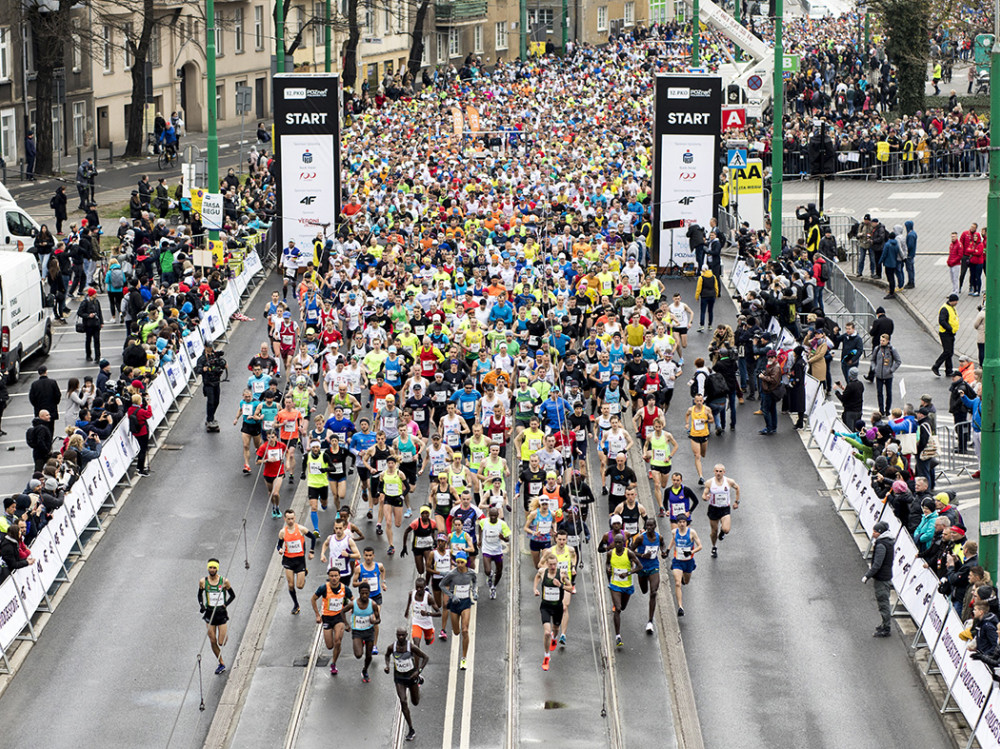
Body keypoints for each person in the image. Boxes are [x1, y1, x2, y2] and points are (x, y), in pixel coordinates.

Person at [384, 627, 428, 741]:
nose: (401, 637)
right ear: (396, 635)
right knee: (403, 701)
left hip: (411, 677)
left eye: (403, 635)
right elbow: (386, 655)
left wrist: (418, 671)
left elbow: (426, 657)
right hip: (399, 678)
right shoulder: (392, 647)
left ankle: (419, 679)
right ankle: (411, 729)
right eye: (399, 635)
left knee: (415, 702)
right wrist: (387, 666)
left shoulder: (411, 647)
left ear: (407, 635)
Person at [312, 567, 353, 676]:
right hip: (327, 618)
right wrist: (317, 615)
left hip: (339, 618)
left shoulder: (345, 588)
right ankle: (334, 653)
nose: (334, 578)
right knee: (330, 645)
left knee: (338, 641)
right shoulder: (323, 588)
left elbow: (353, 599)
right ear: (329, 577)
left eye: (336, 576)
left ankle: (333, 663)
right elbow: (313, 599)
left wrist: (351, 609)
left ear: (339, 576)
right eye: (332, 576)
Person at [533, 551, 571, 671]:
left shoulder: (562, 574)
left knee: (556, 629)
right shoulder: (543, 572)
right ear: (547, 564)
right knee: (546, 632)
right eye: (550, 565)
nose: (553, 567)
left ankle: (554, 638)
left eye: (555, 564)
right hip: (545, 607)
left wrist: (561, 586)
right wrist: (535, 589)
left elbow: (571, 588)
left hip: (557, 607)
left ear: (557, 564)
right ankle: (546, 655)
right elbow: (537, 577)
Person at [440, 550, 477, 670]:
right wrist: (452, 596)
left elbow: (475, 581)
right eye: (458, 562)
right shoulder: (452, 574)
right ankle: (456, 631)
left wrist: (474, 592)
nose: (459, 565)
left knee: (465, 630)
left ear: (466, 562)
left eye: (462, 562)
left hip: (466, 602)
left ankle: (464, 658)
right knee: (456, 632)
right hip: (455, 604)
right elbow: (441, 585)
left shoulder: (471, 573)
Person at [277, 508, 318, 615]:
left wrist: (312, 551)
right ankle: (296, 605)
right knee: (291, 585)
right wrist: (280, 550)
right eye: (288, 519)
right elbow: (278, 545)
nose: (290, 521)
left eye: (292, 518)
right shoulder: (282, 532)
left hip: (300, 561)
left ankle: (304, 572)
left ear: (295, 518)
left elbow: (313, 537)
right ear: (285, 519)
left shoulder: (301, 529)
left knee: (300, 586)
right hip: (288, 560)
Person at [199, 558, 236, 674]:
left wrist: (225, 604)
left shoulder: (224, 581)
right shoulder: (203, 582)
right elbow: (199, 595)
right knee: (212, 640)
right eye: (210, 567)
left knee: (221, 642)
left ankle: (224, 634)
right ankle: (221, 663)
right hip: (210, 613)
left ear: (217, 569)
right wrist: (202, 606)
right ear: (208, 568)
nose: (212, 569)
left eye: (214, 567)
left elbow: (232, 595)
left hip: (221, 614)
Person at [632, 518, 668, 631]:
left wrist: (663, 551)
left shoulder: (659, 537)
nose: (649, 528)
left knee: (653, 592)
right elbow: (630, 551)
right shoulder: (641, 538)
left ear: (655, 526)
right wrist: (642, 555)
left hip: (654, 566)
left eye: (651, 526)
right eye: (647, 526)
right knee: (644, 590)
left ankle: (650, 622)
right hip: (642, 567)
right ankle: (650, 621)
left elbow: (662, 545)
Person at [606, 532, 641, 648]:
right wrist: (608, 569)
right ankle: (618, 636)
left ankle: (618, 608)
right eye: (616, 542)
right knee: (618, 608)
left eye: (620, 542)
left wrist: (628, 573)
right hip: (615, 584)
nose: (617, 544)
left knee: (623, 607)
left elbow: (640, 567)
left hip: (627, 585)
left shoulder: (629, 553)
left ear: (624, 543)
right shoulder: (610, 553)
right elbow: (607, 564)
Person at [862, 521, 895, 637]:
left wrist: (867, 575)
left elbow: (877, 564)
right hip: (885, 576)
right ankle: (884, 624)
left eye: (875, 531)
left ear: (880, 532)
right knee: (883, 601)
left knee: (883, 602)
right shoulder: (887, 542)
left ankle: (886, 628)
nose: (873, 533)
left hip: (882, 578)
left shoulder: (881, 545)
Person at [702, 464, 741, 559]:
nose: (718, 473)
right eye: (716, 471)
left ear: (724, 472)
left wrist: (736, 501)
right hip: (713, 508)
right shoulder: (709, 482)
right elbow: (704, 494)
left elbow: (737, 488)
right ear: (714, 472)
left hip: (725, 508)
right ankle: (714, 547)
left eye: (720, 471)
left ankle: (722, 532)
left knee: (726, 529)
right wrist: (705, 498)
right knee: (714, 531)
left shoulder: (729, 481)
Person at [667, 514, 702, 617]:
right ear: (677, 523)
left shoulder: (691, 532)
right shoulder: (674, 532)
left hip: (688, 562)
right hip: (677, 561)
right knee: (677, 583)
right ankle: (680, 607)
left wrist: (691, 552)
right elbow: (673, 540)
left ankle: (683, 578)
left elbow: (700, 546)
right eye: (680, 522)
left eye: (683, 522)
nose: (682, 524)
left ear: (686, 523)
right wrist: (668, 550)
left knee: (686, 581)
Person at [351, 581, 381, 682]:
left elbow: (379, 619)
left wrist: (374, 621)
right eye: (362, 593)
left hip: (369, 631)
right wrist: (346, 624)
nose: (364, 595)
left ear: (369, 593)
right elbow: (343, 611)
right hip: (357, 631)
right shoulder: (354, 603)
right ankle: (360, 643)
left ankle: (365, 670)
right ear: (359, 592)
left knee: (369, 655)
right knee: (359, 655)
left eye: (366, 593)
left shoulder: (373, 604)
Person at [197, 343, 227, 429]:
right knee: (210, 401)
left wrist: (224, 365)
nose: (210, 348)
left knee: (216, 401)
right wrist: (203, 369)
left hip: (216, 382)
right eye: (208, 347)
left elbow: (221, 364)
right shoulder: (202, 359)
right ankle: (210, 419)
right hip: (208, 383)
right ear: (205, 347)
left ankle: (210, 417)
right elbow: (198, 370)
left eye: (211, 347)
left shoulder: (215, 356)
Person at [684, 393, 712, 484]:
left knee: (703, 454)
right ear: (694, 401)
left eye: (700, 401)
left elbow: (712, 420)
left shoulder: (707, 409)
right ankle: (701, 476)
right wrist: (687, 423)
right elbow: (687, 415)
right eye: (697, 401)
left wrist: (706, 421)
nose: (699, 402)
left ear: (703, 401)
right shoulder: (691, 409)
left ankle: (701, 475)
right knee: (697, 455)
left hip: (704, 435)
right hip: (694, 435)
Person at [870, 333, 901, 414]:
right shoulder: (877, 349)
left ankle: (887, 410)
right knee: (879, 393)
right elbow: (872, 360)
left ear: (888, 341)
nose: (881, 342)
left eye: (883, 340)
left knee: (889, 393)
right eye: (880, 340)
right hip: (879, 375)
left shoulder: (892, 350)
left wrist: (891, 370)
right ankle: (881, 409)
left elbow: (898, 361)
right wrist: (874, 368)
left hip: (888, 375)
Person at [932, 293, 960, 377]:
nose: (957, 303)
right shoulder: (945, 309)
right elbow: (942, 321)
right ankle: (936, 366)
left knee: (950, 352)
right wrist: (950, 329)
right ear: (953, 301)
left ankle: (949, 370)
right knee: (947, 351)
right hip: (945, 333)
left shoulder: (951, 307)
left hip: (950, 333)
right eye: (956, 301)